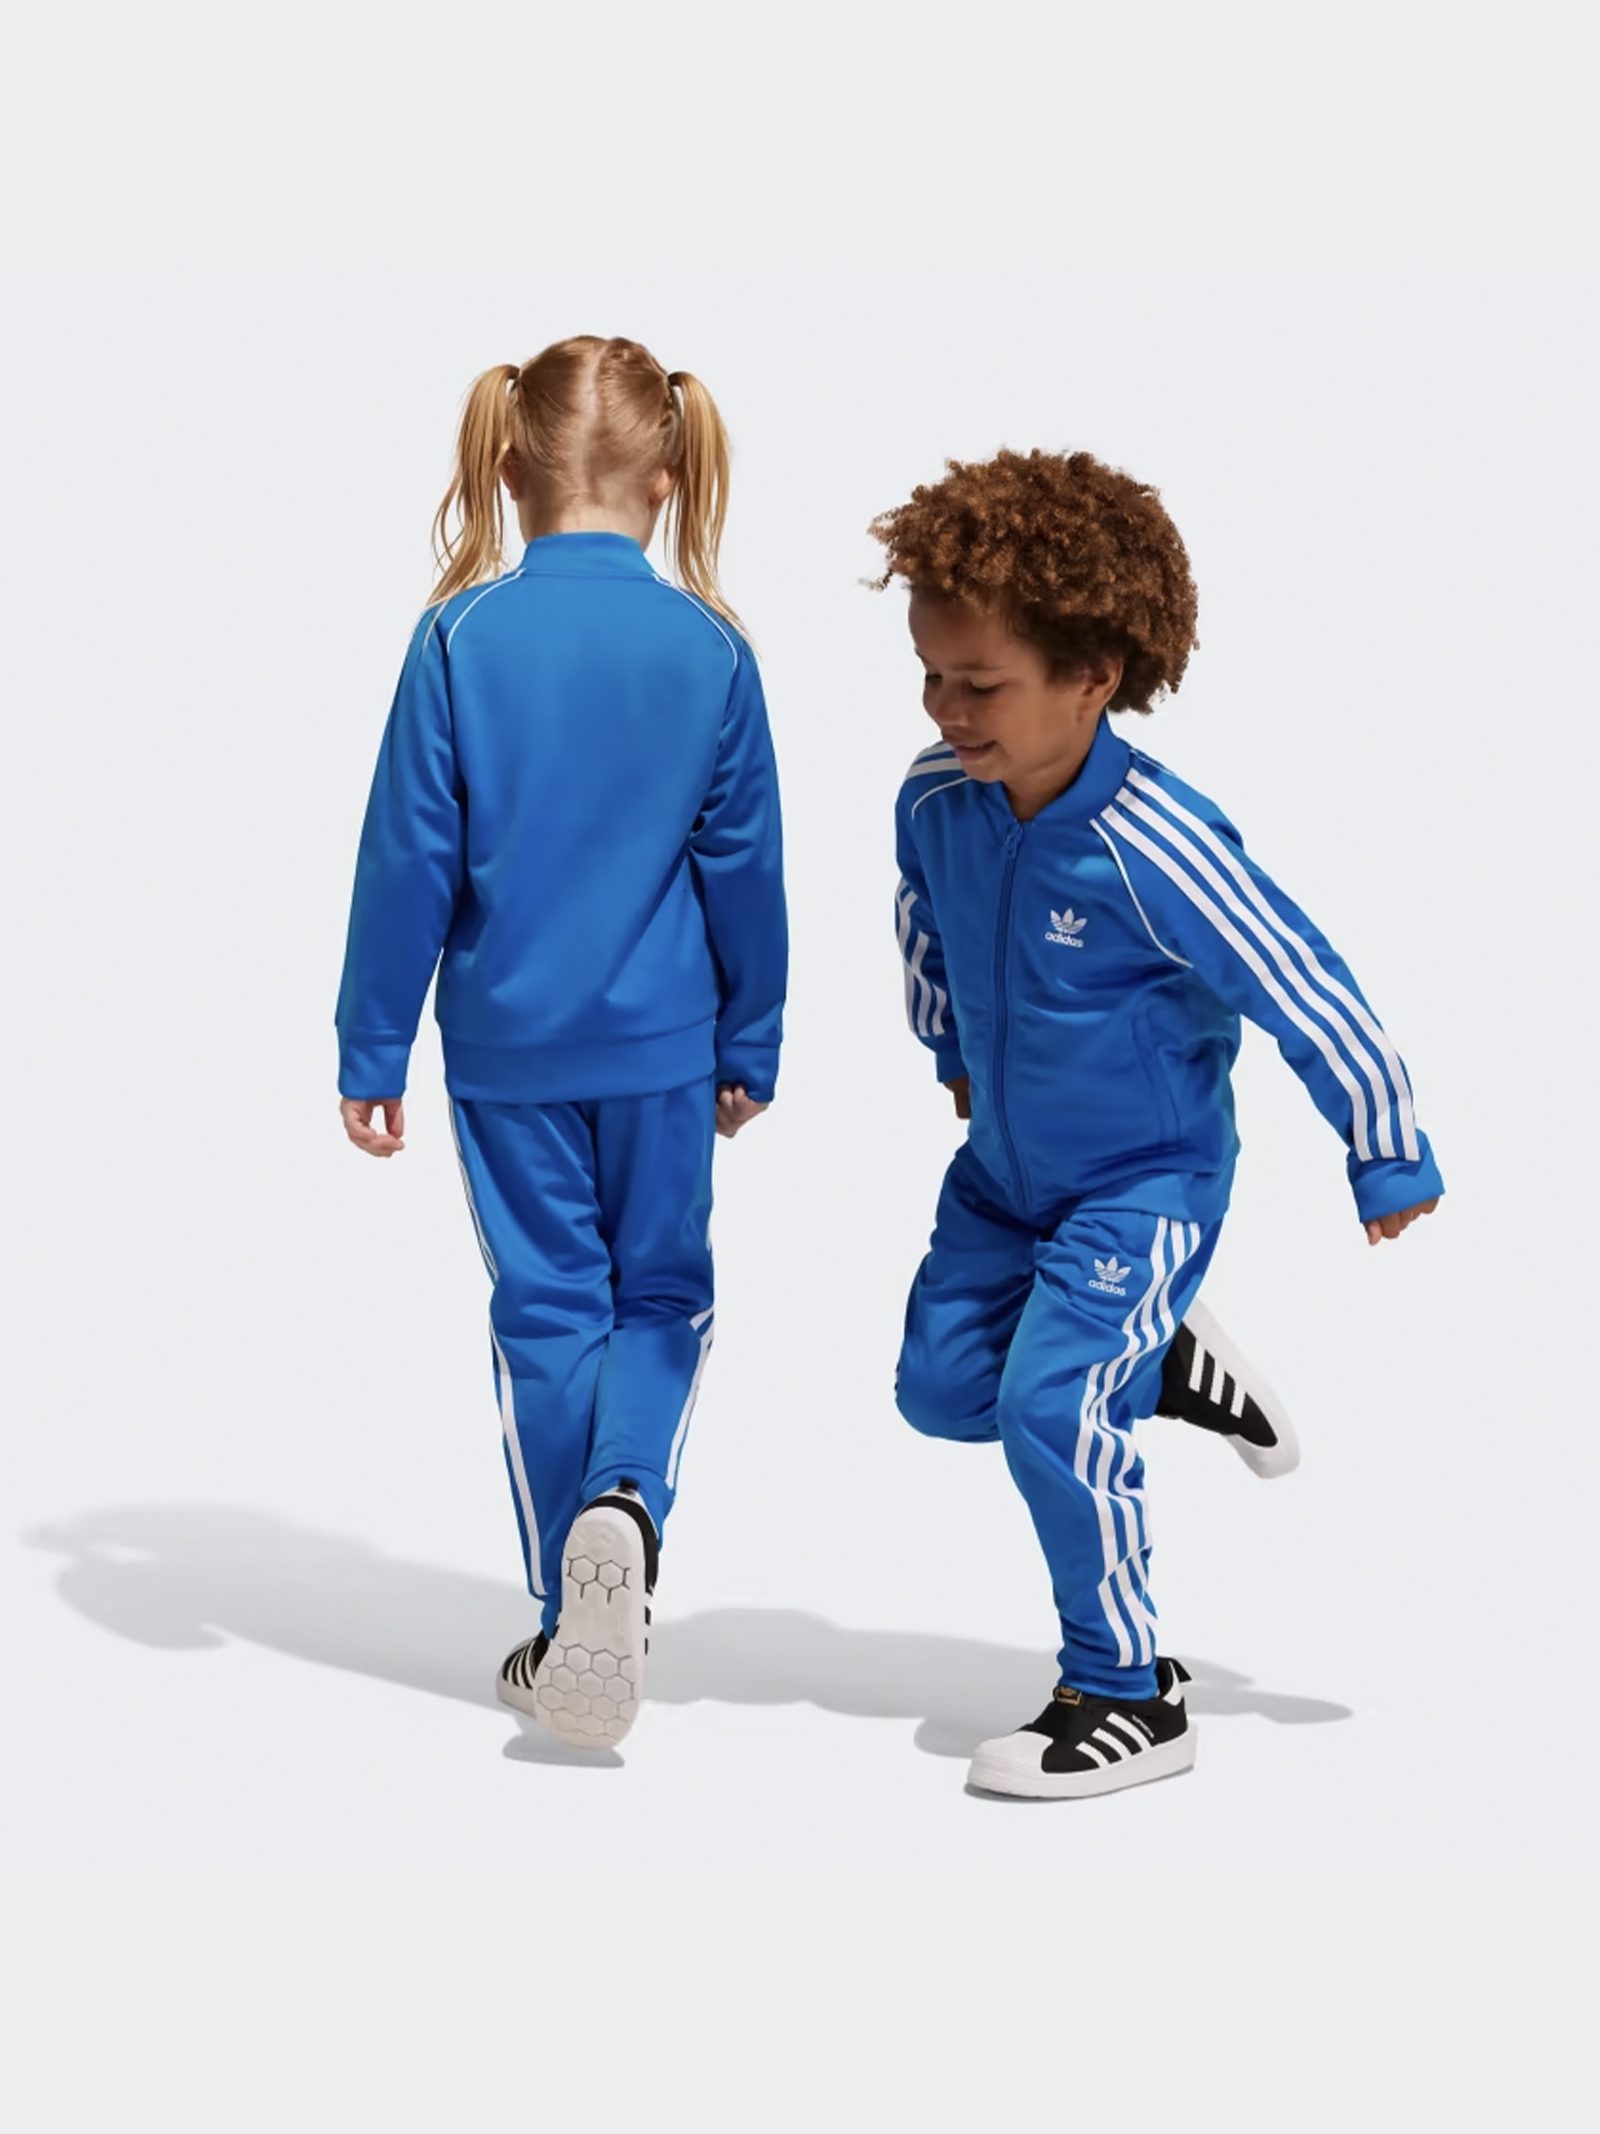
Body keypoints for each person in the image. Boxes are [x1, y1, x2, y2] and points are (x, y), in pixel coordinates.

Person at [875, 448, 1441, 1800]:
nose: (947, 709)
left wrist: (1383, 1145)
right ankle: (1165, 1352)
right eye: (931, 675)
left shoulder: (1158, 844)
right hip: (1001, 1176)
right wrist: (949, 1049)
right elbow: (923, 924)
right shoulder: (936, 796)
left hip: (1144, 1182)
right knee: (942, 1392)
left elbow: (1300, 979)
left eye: (981, 684)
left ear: (1093, 676)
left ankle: (1128, 1690)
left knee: (1051, 1407)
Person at [335, 336, 785, 1752]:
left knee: (547, 1310)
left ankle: (561, 1614)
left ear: (510, 468)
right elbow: (745, 866)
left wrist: (370, 1047)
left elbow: (407, 857)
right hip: (664, 1046)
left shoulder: (457, 638)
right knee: (664, 1301)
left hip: (507, 1050)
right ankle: (628, 1504)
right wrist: (754, 1039)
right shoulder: (712, 649)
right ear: (669, 477)